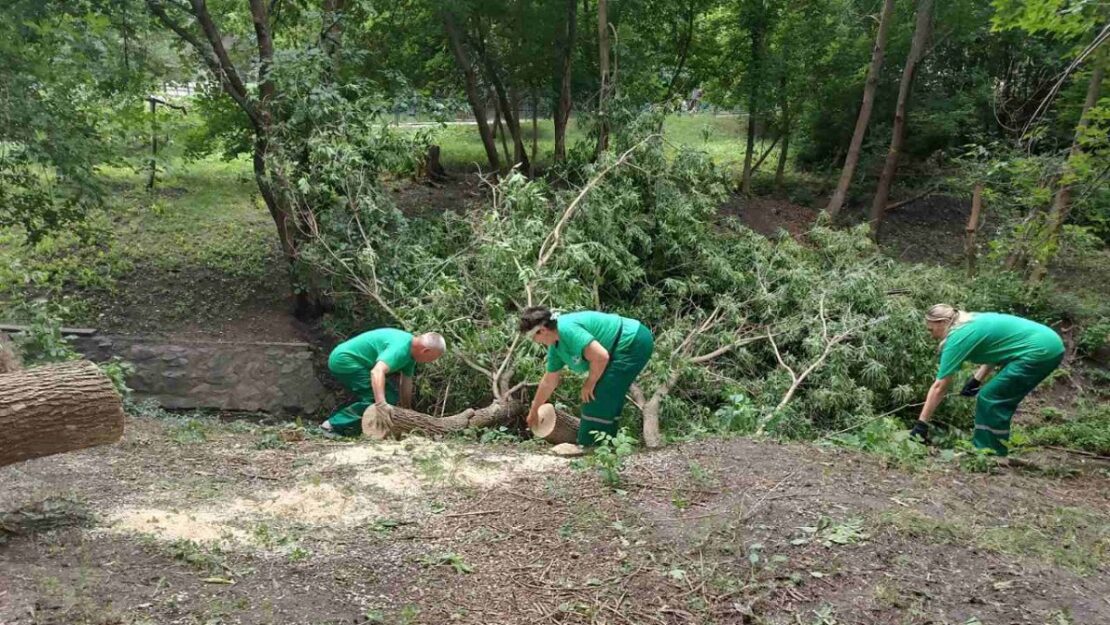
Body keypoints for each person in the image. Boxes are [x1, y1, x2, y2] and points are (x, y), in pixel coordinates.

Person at [910, 304, 1064, 456]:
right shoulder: (970, 320)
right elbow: (997, 349)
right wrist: (977, 379)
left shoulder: (958, 338)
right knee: (992, 396)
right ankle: (989, 450)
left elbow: (939, 387)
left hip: (1040, 351)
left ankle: (990, 454)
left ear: (943, 322)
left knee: (991, 398)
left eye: (931, 329)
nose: (931, 335)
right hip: (1048, 343)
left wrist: (921, 425)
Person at [519, 306, 654, 448]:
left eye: (533, 337)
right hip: (617, 348)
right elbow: (549, 381)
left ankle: (590, 447)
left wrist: (589, 383)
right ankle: (606, 445)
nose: (535, 341)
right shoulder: (556, 347)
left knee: (596, 395)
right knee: (606, 396)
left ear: (542, 331)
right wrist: (534, 410)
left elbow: (601, 356)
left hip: (633, 341)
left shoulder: (568, 330)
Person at [321, 328, 446, 436]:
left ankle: (350, 425)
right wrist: (381, 403)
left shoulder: (410, 355)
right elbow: (377, 372)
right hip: (344, 360)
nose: (430, 362)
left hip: (355, 362)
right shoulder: (400, 348)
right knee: (385, 397)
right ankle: (332, 425)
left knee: (389, 396)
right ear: (425, 351)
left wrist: (407, 409)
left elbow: (406, 381)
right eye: (432, 358)